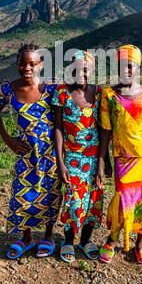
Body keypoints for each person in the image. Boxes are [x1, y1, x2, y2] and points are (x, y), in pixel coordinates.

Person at [97, 44, 142, 265]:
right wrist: (104, 161)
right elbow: (106, 132)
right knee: (123, 200)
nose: (126, 70)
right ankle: (112, 239)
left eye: (130, 66)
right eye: (121, 66)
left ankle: (140, 244)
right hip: (123, 160)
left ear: (138, 67)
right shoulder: (109, 95)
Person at [0, 43, 62, 259]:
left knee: (50, 194)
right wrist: (8, 140)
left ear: (41, 65)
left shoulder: (50, 89)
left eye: (32, 63)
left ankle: (48, 236)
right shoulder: (8, 89)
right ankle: (27, 237)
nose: (27, 68)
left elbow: (59, 124)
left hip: (49, 153)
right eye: (23, 63)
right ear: (17, 64)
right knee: (22, 194)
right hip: (25, 153)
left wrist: (61, 156)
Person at [52, 50, 110, 263]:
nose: (81, 73)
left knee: (94, 202)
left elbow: (105, 130)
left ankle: (85, 241)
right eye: (76, 69)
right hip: (72, 158)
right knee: (73, 202)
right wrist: (60, 162)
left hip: (95, 159)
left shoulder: (100, 93)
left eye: (85, 69)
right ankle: (68, 241)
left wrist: (103, 163)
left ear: (92, 70)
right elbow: (58, 128)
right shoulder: (62, 93)